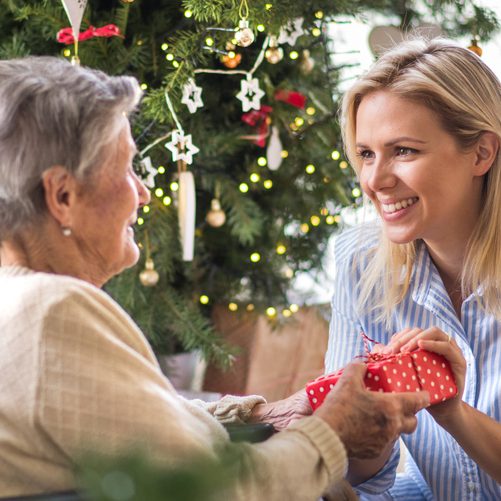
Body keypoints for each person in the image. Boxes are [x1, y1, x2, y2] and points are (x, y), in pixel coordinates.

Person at [0, 56, 429, 500]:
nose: (143, 192)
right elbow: (212, 489)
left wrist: (267, 416)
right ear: (63, 195)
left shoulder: (16, 302)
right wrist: (331, 434)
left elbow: (143, 426)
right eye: (127, 168)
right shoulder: (51, 311)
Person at [325, 37, 501, 500]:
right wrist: (365, 424)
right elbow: (361, 479)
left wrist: (454, 413)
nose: (375, 180)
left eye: (403, 150)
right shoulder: (360, 264)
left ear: (481, 153)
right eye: (366, 153)